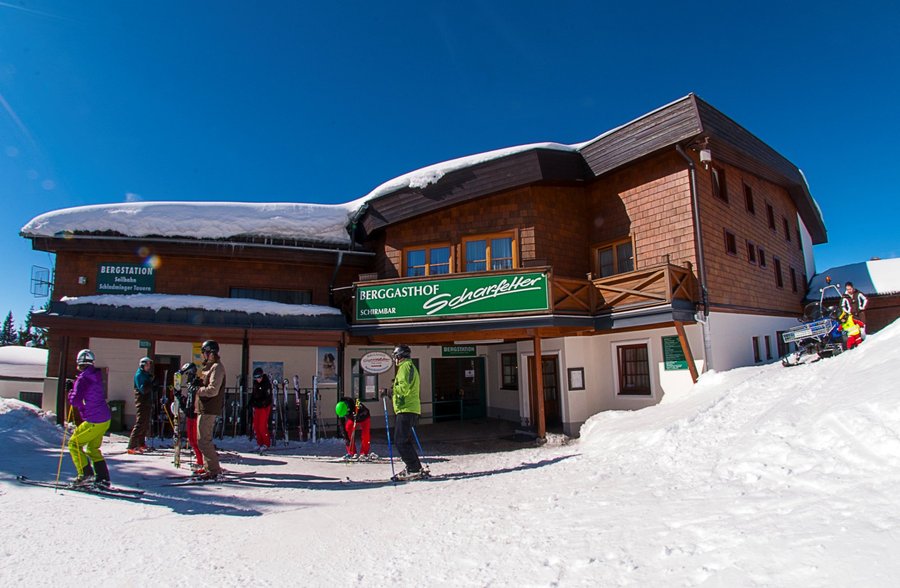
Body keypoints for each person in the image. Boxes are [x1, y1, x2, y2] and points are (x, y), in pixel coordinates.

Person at [67, 349, 112, 487]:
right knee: (93, 449)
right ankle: (103, 478)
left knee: (74, 444)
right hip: (104, 418)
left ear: (79, 363)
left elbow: (75, 400)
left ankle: (85, 474)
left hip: (94, 420)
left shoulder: (83, 378)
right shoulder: (95, 375)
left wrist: (70, 391)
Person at [382, 344, 424, 480]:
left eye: (395, 356)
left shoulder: (406, 367)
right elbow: (403, 386)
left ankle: (414, 468)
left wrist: (389, 391)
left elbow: (405, 388)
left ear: (400, 356)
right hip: (405, 408)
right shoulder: (405, 368)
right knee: (404, 440)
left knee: (400, 441)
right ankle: (414, 466)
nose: (395, 359)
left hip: (407, 409)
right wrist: (392, 390)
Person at [194, 340, 225, 480]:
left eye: (205, 352)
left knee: (204, 441)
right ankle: (208, 467)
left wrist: (198, 390)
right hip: (203, 407)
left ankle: (214, 470)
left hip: (209, 408)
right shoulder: (209, 367)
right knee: (202, 440)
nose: (203, 355)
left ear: (211, 352)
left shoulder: (217, 368)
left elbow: (213, 390)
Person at [176, 362, 204, 474]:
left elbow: (194, 402)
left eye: (188, 375)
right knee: (192, 441)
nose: (187, 378)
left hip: (196, 415)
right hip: (190, 415)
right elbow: (188, 403)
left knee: (197, 441)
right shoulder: (191, 386)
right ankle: (199, 460)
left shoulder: (197, 385)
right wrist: (179, 397)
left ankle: (202, 462)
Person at [127, 356, 154, 454]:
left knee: (145, 423)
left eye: (149, 364)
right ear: (143, 365)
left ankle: (141, 444)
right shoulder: (139, 375)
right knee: (140, 423)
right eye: (147, 364)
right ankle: (131, 446)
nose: (149, 366)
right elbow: (143, 390)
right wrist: (151, 384)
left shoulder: (146, 374)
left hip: (147, 401)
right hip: (141, 401)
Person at [336, 396, 373, 460]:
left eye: (346, 413)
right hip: (353, 419)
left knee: (365, 434)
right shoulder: (341, 409)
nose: (345, 415)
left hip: (364, 418)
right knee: (348, 429)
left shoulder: (355, 403)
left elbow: (366, 412)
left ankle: (364, 453)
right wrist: (346, 438)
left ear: (347, 408)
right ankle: (351, 452)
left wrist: (358, 415)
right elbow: (341, 425)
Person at [249, 367, 273, 452]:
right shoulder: (255, 383)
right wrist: (251, 402)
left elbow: (268, 397)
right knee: (256, 426)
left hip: (264, 407)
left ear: (262, 376)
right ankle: (260, 443)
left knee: (262, 426)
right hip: (257, 406)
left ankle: (266, 443)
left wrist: (262, 403)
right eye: (255, 378)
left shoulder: (266, 384)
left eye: (259, 377)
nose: (257, 379)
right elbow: (254, 394)